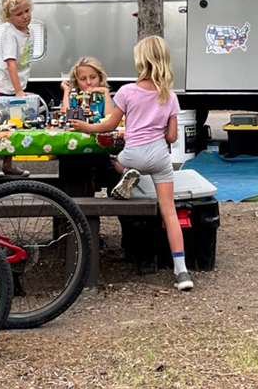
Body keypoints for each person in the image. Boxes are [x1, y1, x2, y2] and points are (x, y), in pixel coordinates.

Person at [70, 36, 194, 292]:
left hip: (132, 155)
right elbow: (172, 137)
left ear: (141, 62)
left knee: (113, 164)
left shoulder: (127, 91)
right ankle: (182, 272)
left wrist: (86, 127)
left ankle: (126, 175)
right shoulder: (169, 96)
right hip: (160, 158)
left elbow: (110, 125)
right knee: (170, 213)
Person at [0, 0, 35, 178]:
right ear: (9, 17)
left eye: (27, 11)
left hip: (17, 86)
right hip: (6, 87)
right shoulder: (10, 34)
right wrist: (18, 90)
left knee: (15, 124)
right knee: (2, 126)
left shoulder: (27, 32)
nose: (25, 16)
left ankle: (8, 162)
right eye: (19, 14)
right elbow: (11, 63)